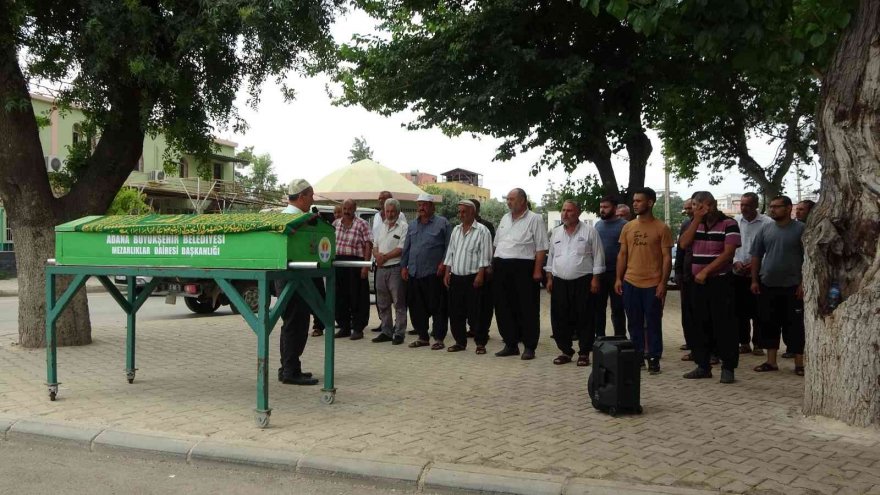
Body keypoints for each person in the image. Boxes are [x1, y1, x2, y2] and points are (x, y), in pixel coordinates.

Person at [679, 191, 741, 384]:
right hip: (697, 283)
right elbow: (683, 244)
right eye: (699, 205)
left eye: (708, 205)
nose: (705, 209)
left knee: (724, 324)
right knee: (699, 324)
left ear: (714, 203)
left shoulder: (729, 223)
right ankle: (702, 365)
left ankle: (728, 367)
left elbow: (728, 253)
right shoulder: (692, 224)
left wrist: (707, 271)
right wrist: (696, 219)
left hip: (720, 281)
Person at [615, 188, 672, 375]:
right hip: (630, 281)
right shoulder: (628, 227)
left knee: (653, 322)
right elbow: (622, 254)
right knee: (634, 322)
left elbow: (666, 257)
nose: (635, 204)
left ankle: (654, 357)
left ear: (650, 202)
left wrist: (663, 283)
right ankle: (637, 355)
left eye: (639, 201)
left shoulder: (662, 228)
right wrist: (618, 278)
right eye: (634, 201)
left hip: (653, 283)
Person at [750, 195, 806, 376]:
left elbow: (810, 259)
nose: (772, 210)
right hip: (768, 285)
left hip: (793, 287)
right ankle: (771, 362)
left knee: (795, 326)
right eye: (771, 207)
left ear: (789, 208)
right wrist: (754, 280)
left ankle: (799, 364)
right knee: (769, 323)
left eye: (777, 206)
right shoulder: (765, 229)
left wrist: (804, 284)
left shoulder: (802, 230)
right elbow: (756, 256)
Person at [546, 200, 605, 366]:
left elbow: (598, 256)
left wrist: (595, 278)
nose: (565, 213)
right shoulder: (556, 233)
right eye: (563, 210)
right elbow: (551, 257)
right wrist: (549, 278)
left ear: (578, 212)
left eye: (569, 210)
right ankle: (565, 351)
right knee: (559, 317)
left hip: (583, 281)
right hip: (559, 282)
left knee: (584, 317)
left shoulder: (590, 232)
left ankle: (584, 352)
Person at [493, 188, 549, 360]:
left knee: (527, 307)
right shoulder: (504, 218)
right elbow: (496, 244)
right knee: (503, 306)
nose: (509, 202)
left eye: (512, 199)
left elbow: (541, 247)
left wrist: (537, 270)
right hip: (501, 265)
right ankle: (510, 344)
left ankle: (529, 346)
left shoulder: (535, 218)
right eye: (507, 199)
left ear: (523, 200)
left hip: (523, 266)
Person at [276, 179, 320, 385]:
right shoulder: (292, 218)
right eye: (311, 196)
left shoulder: (290, 216)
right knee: (297, 323)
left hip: (287, 275)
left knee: (290, 323)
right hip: (292, 276)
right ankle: (290, 371)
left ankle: (288, 366)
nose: (312, 200)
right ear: (302, 196)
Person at [401, 193, 451, 350]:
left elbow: (450, 247)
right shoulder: (412, 225)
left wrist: (444, 263)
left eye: (425, 204)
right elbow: (407, 247)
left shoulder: (443, 223)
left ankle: (438, 338)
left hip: (434, 273)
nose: (421, 207)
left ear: (432, 207)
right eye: (419, 205)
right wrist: (403, 266)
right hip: (415, 273)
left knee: (438, 307)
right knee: (416, 307)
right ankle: (422, 336)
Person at [443, 200, 493, 354]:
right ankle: (460, 342)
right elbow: (450, 253)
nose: (460, 214)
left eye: (464, 211)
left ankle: (480, 344)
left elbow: (486, 255)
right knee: (456, 311)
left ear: (473, 212)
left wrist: (480, 275)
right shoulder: (456, 230)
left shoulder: (482, 231)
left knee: (476, 312)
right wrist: (447, 272)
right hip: (457, 276)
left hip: (473, 277)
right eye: (459, 211)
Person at [732, 192, 773, 355]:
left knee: (759, 311)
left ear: (756, 205)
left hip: (759, 273)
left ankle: (758, 344)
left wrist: (756, 264)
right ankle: (743, 342)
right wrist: (735, 261)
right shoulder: (735, 221)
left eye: (748, 205)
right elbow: (729, 245)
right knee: (740, 311)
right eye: (742, 205)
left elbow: (770, 249)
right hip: (738, 271)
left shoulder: (767, 223)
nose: (744, 208)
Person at [333, 199, 373, 341]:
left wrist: (365, 265)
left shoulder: (362, 224)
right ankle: (343, 327)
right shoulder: (336, 224)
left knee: (357, 298)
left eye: (350, 208)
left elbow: (368, 244)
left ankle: (357, 329)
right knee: (340, 297)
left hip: (356, 263)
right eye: (345, 208)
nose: (346, 211)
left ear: (355, 209)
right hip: (338, 263)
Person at [371, 198, 409, 345]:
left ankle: (399, 333)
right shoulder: (381, 226)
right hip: (381, 269)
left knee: (399, 303)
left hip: (395, 268)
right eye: (388, 211)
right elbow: (375, 245)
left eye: (393, 211)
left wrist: (384, 257)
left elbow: (401, 248)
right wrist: (377, 256)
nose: (390, 213)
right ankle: (386, 331)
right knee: (382, 303)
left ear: (398, 212)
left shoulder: (404, 227)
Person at [594, 195, 627, 337]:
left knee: (618, 309)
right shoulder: (598, 225)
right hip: (600, 273)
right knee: (598, 308)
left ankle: (620, 338)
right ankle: (599, 339)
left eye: (605, 207)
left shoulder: (624, 225)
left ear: (614, 208)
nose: (602, 210)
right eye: (601, 207)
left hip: (617, 274)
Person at [674, 198, 697, 360]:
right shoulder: (686, 225)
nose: (688, 211)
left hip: (705, 276)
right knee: (687, 312)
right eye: (686, 209)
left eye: (690, 208)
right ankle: (691, 342)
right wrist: (678, 272)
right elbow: (681, 251)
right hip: (687, 276)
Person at [470, 199, 495, 338]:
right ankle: (473, 327)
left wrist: (488, 267)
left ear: (476, 210)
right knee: (470, 303)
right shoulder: (460, 227)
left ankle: (482, 329)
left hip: (482, 270)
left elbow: (491, 247)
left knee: (483, 303)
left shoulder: (486, 226)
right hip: (466, 270)